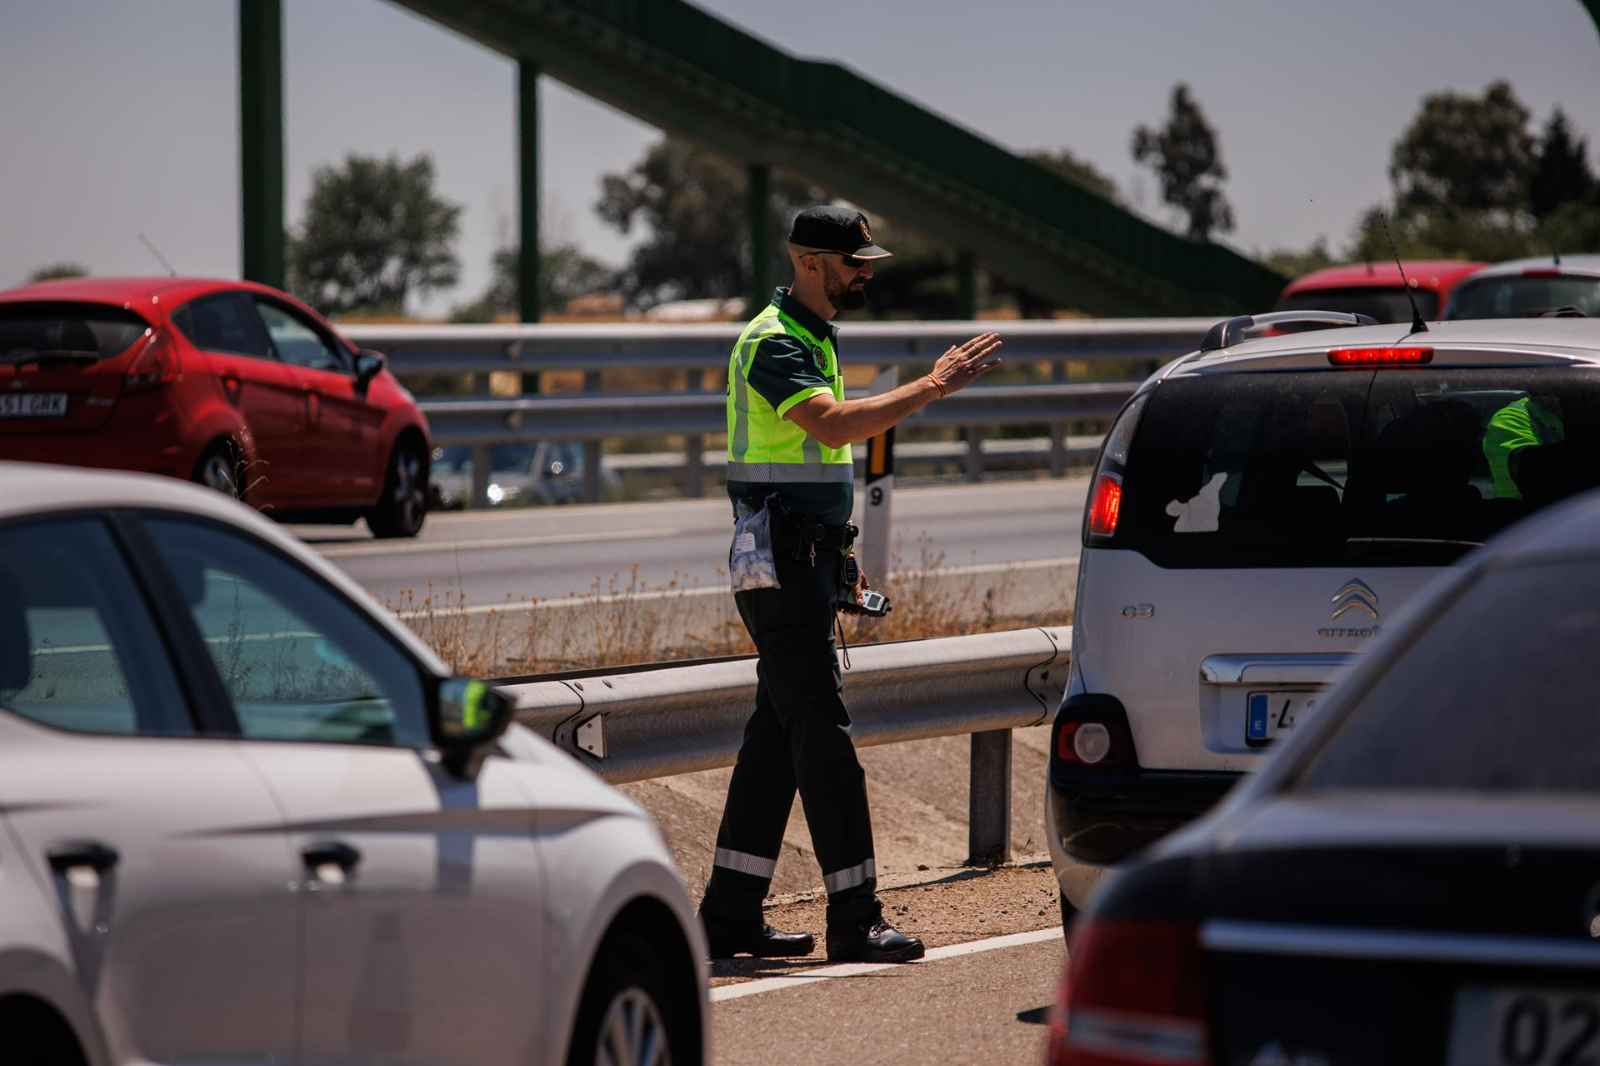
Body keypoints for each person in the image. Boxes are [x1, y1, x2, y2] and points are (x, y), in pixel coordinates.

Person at [699, 205, 1002, 963]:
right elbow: (833, 428)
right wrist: (933, 386)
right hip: (780, 568)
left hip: (802, 559)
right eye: (853, 261)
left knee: (778, 741)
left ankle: (728, 915)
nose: (866, 271)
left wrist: (841, 551)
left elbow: (815, 468)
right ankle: (855, 918)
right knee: (824, 739)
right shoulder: (774, 342)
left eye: (867, 260)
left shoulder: (813, 336)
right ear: (809, 262)